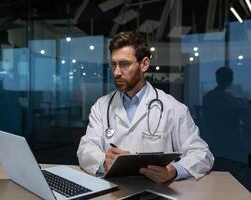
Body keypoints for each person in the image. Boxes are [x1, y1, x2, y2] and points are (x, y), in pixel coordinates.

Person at [77, 31, 214, 183]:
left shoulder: (173, 108)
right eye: (113, 64)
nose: (116, 72)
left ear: (144, 64)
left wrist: (174, 171)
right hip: (111, 190)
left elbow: (202, 153)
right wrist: (104, 161)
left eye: (124, 64)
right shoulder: (101, 106)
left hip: (155, 191)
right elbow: (85, 148)